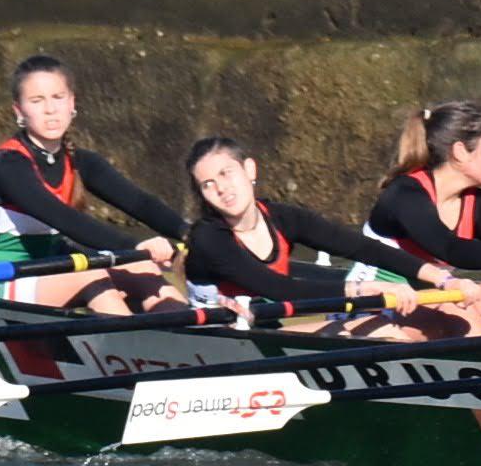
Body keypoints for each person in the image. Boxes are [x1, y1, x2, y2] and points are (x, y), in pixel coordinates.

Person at [178, 135, 466, 338]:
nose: (221, 188)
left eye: (226, 173)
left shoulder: (282, 217)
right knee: (369, 332)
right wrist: (364, 289)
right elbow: (280, 289)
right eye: (208, 184)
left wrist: (442, 278)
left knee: (407, 327)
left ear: (249, 169)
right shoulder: (209, 238)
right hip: (216, 342)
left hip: (262, 331)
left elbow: (363, 248)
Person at [0, 51, 181, 314]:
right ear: (19, 111)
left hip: (46, 274)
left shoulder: (80, 161)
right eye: (37, 100)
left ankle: (198, 343)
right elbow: (62, 217)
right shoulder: (8, 165)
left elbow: (140, 203)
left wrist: (191, 234)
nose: (50, 110)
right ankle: (125, 351)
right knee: (90, 275)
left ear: (72, 103)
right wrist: (133, 246)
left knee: (143, 268)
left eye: (58, 97)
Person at [368, 101, 481, 303]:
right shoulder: (405, 193)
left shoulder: (480, 203)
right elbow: (448, 247)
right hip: (375, 303)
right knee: (469, 319)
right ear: (460, 151)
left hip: (427, 304)